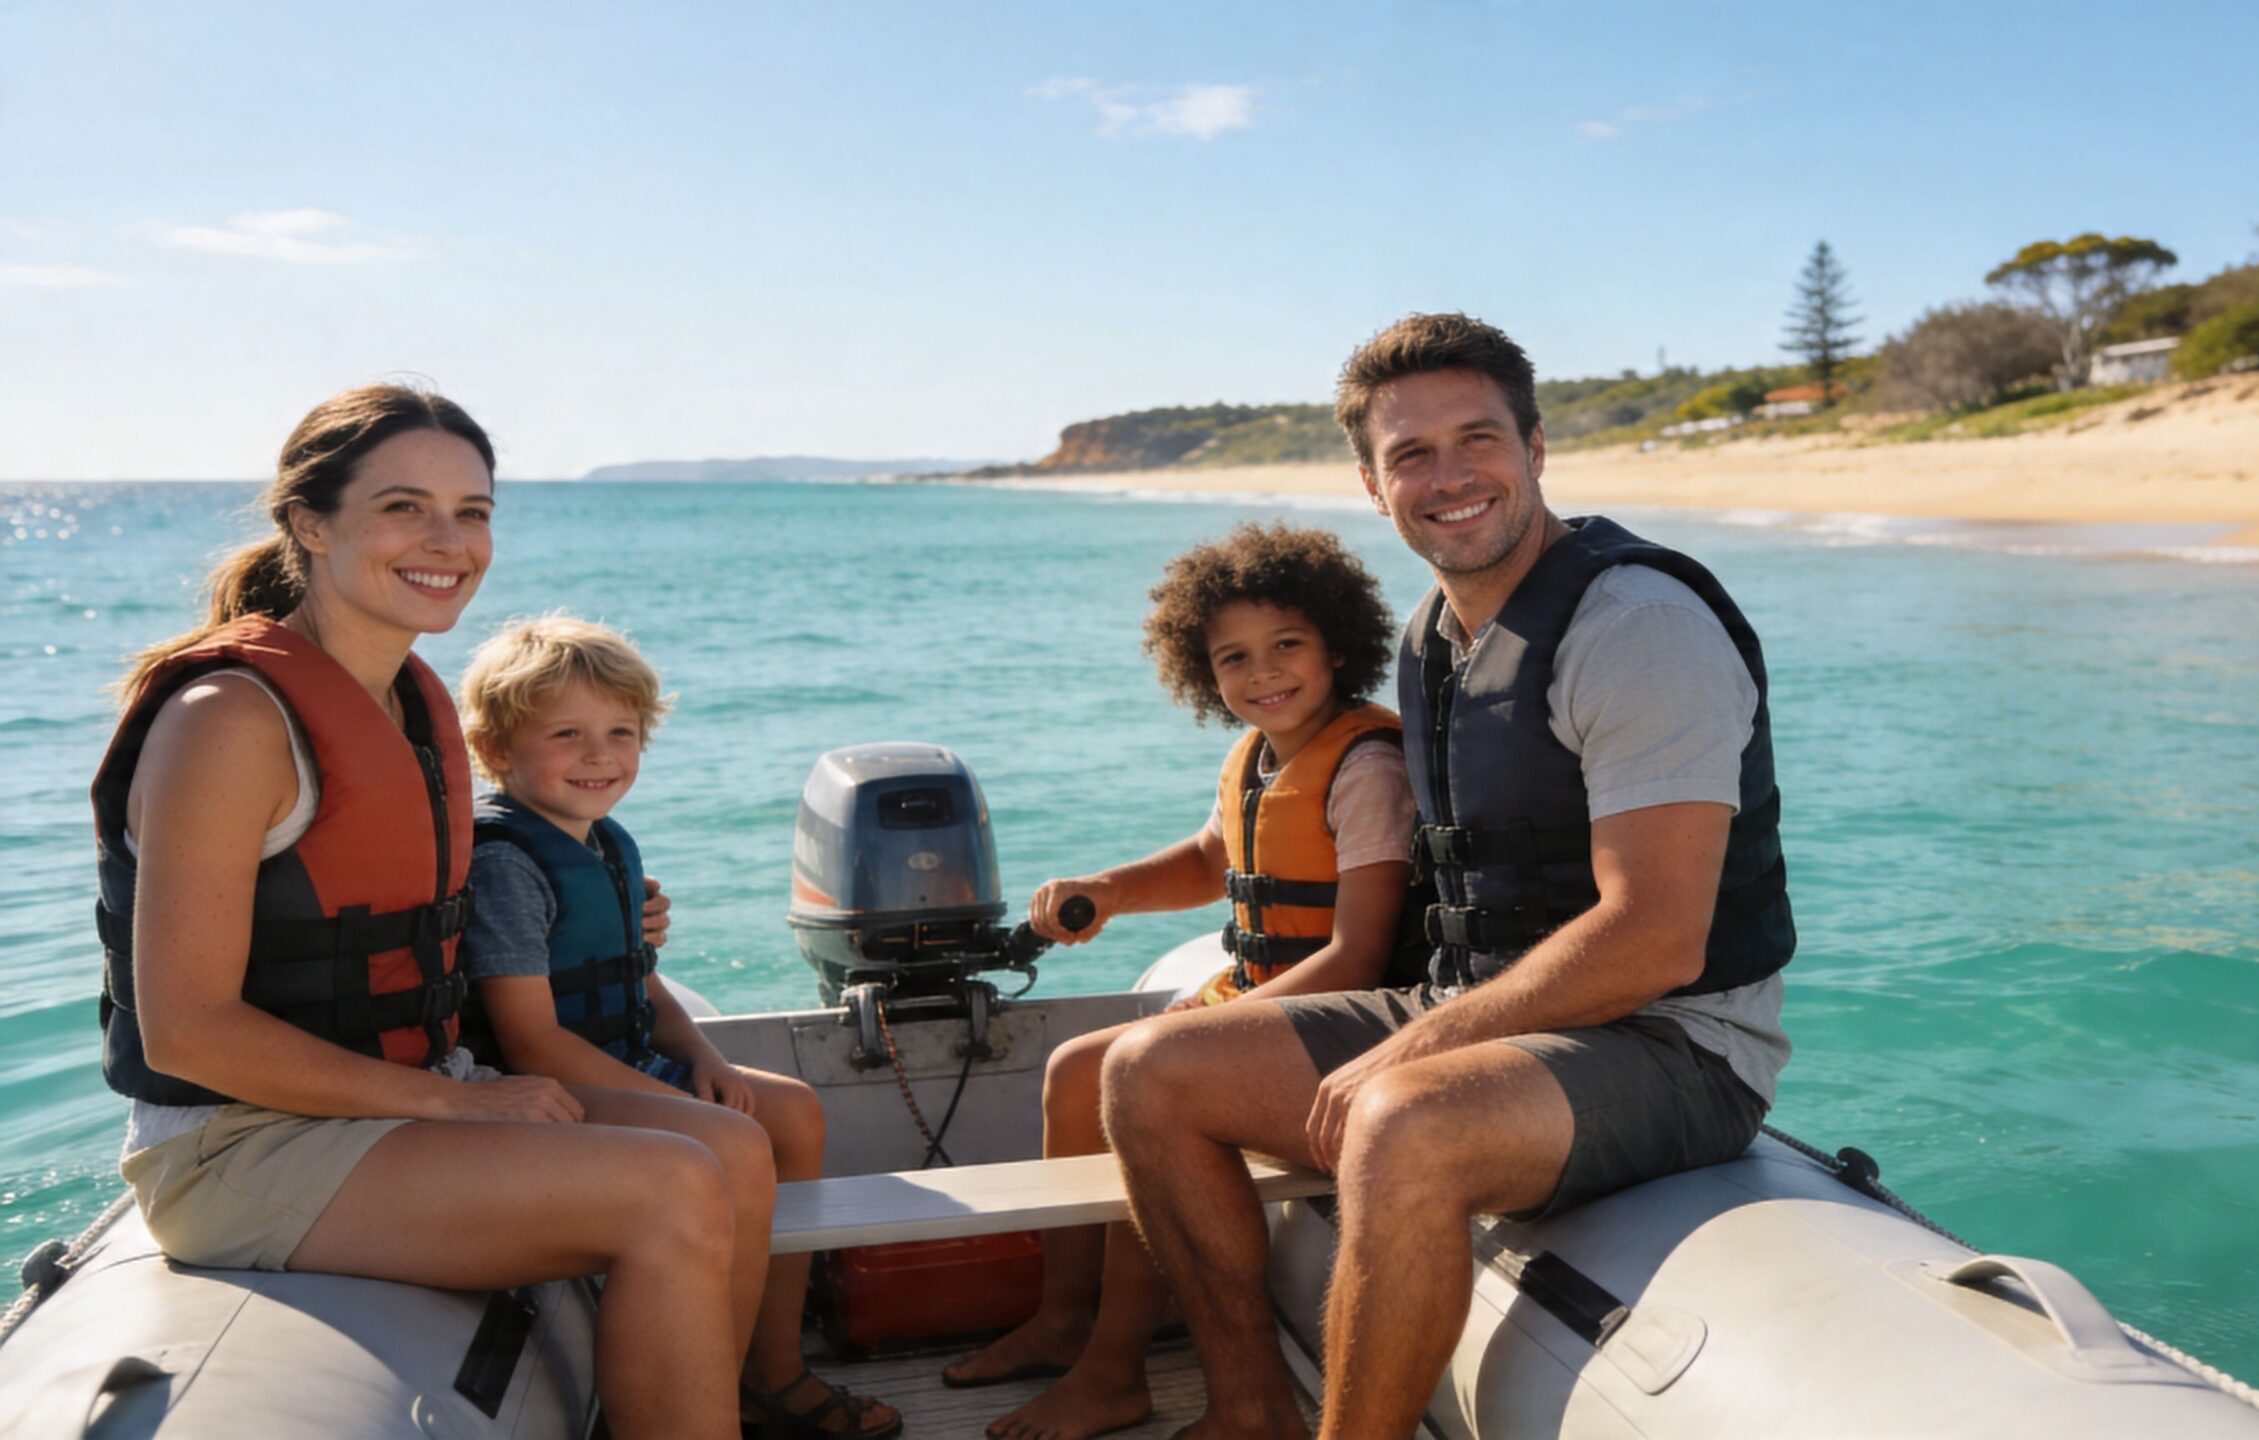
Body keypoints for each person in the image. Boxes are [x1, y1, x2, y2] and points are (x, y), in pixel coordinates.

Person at [1097, 314, 1795, 1440]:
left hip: (1674, 1044)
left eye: (1478, 438)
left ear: (1534, 448)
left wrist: (1413, 1047)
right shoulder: (1435, 636)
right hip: (1481, 1008)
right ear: (1373, 486)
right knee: (1147, 1071)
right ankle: (1247, 1410)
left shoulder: (1638, 628)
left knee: (1401, 1121)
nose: (1450, 475)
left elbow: (1658, 937)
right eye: (1410, 454)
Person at [96, 385, 775, 1440]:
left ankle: (713, 1407)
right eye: (406, 506)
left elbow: (410, 918)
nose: (447, 541)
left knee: (730, 1149)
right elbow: (188, 1028)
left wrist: (608, 917)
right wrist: (466, 1108)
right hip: (243, 1146)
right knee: (670, 1187)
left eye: (474, 511)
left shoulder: (408, 701)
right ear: (311, 523)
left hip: (401, 1095)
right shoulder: (229, 720)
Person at [939, 523, 1419, 1440]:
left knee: (1142, 1089)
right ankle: (1067, 1317)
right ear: (1202, 672)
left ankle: (1114, 1371)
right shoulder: (1256, 756)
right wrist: (1109, 891)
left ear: (1338, 646)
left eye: (1287, 646)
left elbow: (1357, 957)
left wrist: (1198, 1038)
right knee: (1074, 1071)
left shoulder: (1368, 766)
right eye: (1232, 657)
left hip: (1341, 1015)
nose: (1261, 673)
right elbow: (1214, 856)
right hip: (1259, 996)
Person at [455, 614, 899, 1440]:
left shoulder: (602, 842)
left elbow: (639, 981)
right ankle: (712, 1398)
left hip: (618, 1062)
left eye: (621, 732)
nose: (600, 755)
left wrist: (699, 1054)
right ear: (496, 750)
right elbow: (530, 1041)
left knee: (792, 1111)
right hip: (543, 1088)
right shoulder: (505, 863)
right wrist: (690, 1112)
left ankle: (772, 1368)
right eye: (568, 734)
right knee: (729, 1141)